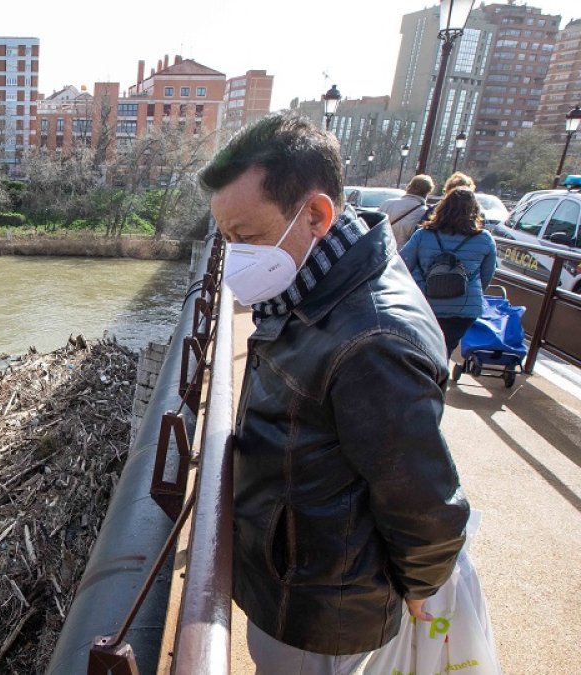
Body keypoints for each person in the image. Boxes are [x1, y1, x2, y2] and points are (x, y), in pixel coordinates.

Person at [200, 112, 470, 675]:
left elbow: (423, 498)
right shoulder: (315, 286)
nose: (235, 257)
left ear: (317, 214)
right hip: (300, 578)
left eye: (244, 237)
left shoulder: (372, 338)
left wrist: (421, 585)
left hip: (323, 606)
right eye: (225, 238)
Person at [400, 188, 498, 359]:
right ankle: (440, 377)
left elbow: (402, 264)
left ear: (443, 207)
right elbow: (487, 275)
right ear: (474, 211)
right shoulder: (484, 239)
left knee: (422, 348)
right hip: (464, 307)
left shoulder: (423, 234)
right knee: (446, 349)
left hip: (425, 303)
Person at [379, 174, 435, 249]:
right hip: (403, 255)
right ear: (428, 192)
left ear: (409, 187)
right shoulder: (424, 212)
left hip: (381, 251)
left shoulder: (387, 204)